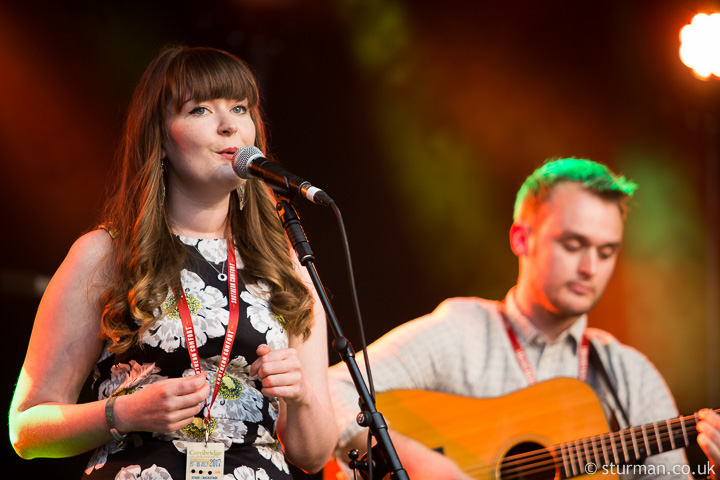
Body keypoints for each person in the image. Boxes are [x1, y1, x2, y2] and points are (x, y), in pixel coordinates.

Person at [9, 45, 337, 479]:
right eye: (200, 110)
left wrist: (302, 398)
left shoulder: (286, 263)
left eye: (240, 108)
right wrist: (121, 413)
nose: (228, 126)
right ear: (160, 138)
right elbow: (26, 429)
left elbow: (313, 456)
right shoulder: (105, 254)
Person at [327, 158, 720, 480]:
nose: (590, 267)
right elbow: (331, 390)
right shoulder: (462, 331)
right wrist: (415, 461)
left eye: (607, 251)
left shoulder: (631, 376)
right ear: (521, 239)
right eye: (573, 244)